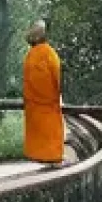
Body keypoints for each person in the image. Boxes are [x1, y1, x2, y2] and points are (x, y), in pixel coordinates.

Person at [23, 21, 65, 167]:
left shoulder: (30, 56)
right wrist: (60, 94)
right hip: (49, 103)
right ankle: (54, 158)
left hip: (33, 102)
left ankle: (42, 157)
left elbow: (27, 81)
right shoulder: (49, 53)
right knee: (52, 131)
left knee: (40, 132)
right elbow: (57, 76)